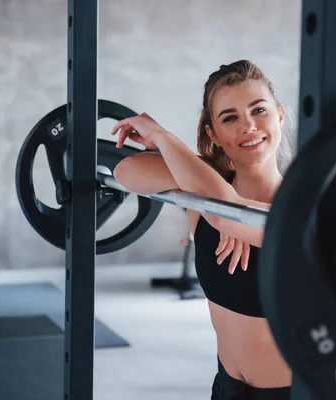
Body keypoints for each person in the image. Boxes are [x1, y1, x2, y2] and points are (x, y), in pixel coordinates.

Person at [111, 60, 293, 399]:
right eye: (230, 117)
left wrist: (224, 210)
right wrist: (164, 139)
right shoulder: (205, 202)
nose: (249, 126)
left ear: (280, 115)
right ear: (213, 134)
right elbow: (126, 171)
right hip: (225, 388)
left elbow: (231, 217)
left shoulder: (301, 209)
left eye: (259, 110)